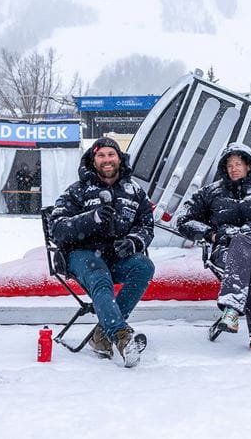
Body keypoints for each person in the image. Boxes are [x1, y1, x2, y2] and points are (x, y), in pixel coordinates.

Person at [177, 143, 251, 354]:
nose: (233, 169)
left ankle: (232, 308)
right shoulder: (209, 193)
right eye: (229, 165)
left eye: (238, 164)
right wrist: (211, 234)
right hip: (224, 250)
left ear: (248, 166)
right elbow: (183, 220)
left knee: (245, 243)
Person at [45, 137, 155, 367]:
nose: (107, 160)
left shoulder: (135, 191)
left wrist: (134, 242)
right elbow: (56, 228)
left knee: (144, 266)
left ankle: (101, 333)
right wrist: (90, 219)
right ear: (93, 160)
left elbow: (146, 225)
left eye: (111, 154)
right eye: (101, 155)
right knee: (100, 277)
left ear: (119, 159)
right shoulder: (78, 190)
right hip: (81, 255)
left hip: (116, 256)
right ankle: (121, 336)